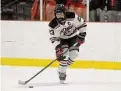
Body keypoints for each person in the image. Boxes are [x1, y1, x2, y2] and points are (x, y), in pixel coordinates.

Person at [48, 4, 87, 83]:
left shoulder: (72, 16)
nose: (59, 16)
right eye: (57, 14)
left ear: (64, 12)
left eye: (61, 13)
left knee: (75, 54)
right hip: (62, 40)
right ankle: (62, 72)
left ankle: (62, 68)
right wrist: (58, 48)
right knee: (64, 56)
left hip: (73, 37)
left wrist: (82, 35)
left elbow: (83, 24)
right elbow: (54, 38)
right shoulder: (52, 25)